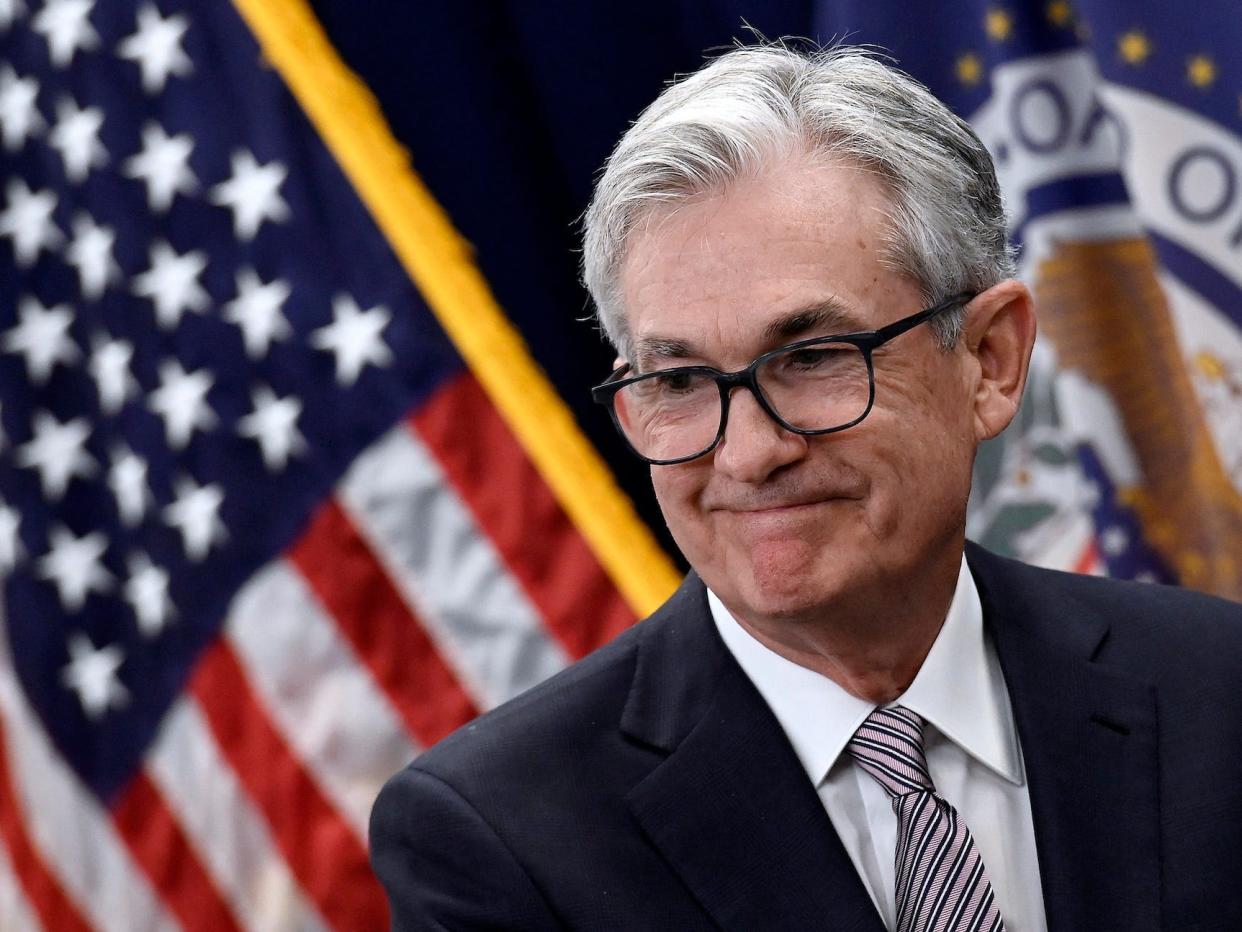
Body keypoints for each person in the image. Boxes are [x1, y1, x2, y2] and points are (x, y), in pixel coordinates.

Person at [370, 43, 1242, 931]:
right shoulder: (497, 840)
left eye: (813, 358)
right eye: (678, 383)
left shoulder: (1219, 695)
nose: (747, 455)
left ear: (990, 360)